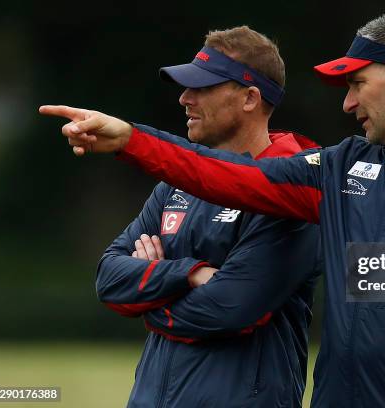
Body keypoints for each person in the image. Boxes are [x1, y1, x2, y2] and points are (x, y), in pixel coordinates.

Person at [41, 10, 385, 408]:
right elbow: (231, 174)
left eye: (356, 84)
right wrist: (131, 139)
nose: (347, 105)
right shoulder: (343, 165)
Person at [64, 26, 321, 408]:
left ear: (250, 98)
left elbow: (228, 308)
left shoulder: (293, 192)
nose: (185, 98)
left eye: (202, 87)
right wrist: (188, 273)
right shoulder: (176, 184)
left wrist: (149, 296)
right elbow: (109, 277)